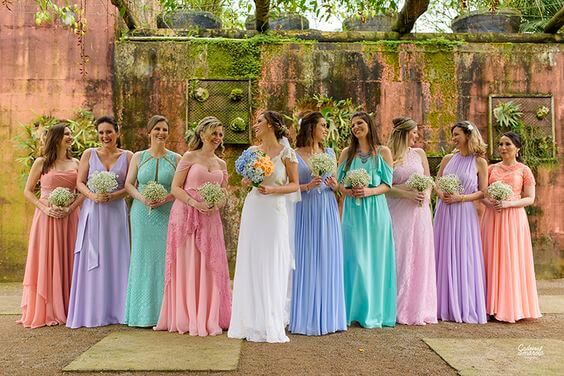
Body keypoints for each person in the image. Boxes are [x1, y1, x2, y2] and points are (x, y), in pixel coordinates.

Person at [155, 116, 231, 336]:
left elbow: (224, 193)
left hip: (210, 217)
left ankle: (208, 315)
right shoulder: (189, 156)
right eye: (213, 133)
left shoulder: (222, 164)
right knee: (188, 262)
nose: (217, 138)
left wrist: (216, 203)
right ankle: (186, 316)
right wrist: (194, 202)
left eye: (220, 134)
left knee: (210, 263)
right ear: (202, 133)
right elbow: (175, 187)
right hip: (186, 215)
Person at [228, 110, 299, 343]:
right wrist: (249, 180)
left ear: (270, 125)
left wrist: (273, 190)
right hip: (255, 207)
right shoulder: (251, 152)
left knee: (272, 262)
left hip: (275, 210)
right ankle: (250, 321)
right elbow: (246, 181)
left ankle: (270, 320)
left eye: (259, 121)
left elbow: (295, 186)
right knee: (251, 260)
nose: (255, 125)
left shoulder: (287, 153)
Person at [67, 116, 133, 328]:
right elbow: (80, 182)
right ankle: (93, 311)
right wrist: (92, 196)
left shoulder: (129, 156)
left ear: (117, 132)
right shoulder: (89, 154)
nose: (105, 136)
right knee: (93, 258)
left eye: (109, 132)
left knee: (116, 255)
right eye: (101, 133)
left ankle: (118, 310)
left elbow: (133, 185)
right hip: (93, 211)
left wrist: (116, 195)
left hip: (116, 212)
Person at [18, 124, 83, 328]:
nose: (70, 137)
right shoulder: (42, 162)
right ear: (55, 138)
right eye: (66, 134)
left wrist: (71, 208)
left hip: (71, 217)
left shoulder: (77, 163)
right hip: (46, 216)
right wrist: (44, 208)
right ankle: (47, 308)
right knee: (47, 259)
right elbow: (28, 191)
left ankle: (69, 307)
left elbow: (82, 191)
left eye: (70, 134)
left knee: (70, 258)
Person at [337, 111, 396, 328]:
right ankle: (352, 310)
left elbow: (387, 184)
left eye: (359, 123)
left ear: (369, 124)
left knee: (375, 260)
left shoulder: (383, 152)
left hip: (376, 212)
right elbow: (337, 182)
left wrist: (368, 192)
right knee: (355, 259)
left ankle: (374, 312)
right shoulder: (347, 153)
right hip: (353, 212)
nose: (355, 127)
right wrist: (348, 191)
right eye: (352, 125)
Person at [289, 111, 346, 336]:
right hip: (305, 209)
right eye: (322, 125)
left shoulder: (330, 153)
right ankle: (305, 317)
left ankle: (329, 316)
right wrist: (306, 187)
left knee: (327, 257)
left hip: (327, 209)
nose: (325, 129)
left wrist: (334, 185)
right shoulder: (293, 155)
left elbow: (339, 187)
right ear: (310, 127)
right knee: (306, 258)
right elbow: (289, 186)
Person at [124, 115, 180, 327]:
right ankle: (140, 314)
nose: (161, 133)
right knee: (141, 258)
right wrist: (143, 199)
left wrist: (165, 198)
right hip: (141, 213)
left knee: (166, 259)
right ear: (149, 132)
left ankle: (165, 314)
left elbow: (179, 188)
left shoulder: (177, 159)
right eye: (157, 129)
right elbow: (129, 184)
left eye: (165, 129)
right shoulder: (138, 157)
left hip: (167, 213)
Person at [481, 131, 541, 323]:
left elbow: (530, 198)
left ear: (517, 148)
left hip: (514, 218)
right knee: (490, 256)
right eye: (500, 144)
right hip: (492, 217)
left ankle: (510, 306)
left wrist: (508, 204)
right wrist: (489, 202)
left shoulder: (524, 170)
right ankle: (489, 306)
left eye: (507, 144)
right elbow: (481, 193)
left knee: (511, 258)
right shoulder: (490, 169)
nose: (503, 148)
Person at [434, 120, 488, 324]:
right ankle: (441, 304)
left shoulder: (479, 162)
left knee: (463, 254)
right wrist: (442, 195)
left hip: (464, 212)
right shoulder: (448, 158)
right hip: (444, 211)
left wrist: (461, 198)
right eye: (453, 135)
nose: (454, 139)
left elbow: (483, 191)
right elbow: (436, 182)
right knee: (443, 253)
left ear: (468, 135)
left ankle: (464, 304)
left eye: (457, 134)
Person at [386, 117, 437, 325]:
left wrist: (425, 192)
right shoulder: (388, 155)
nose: (416, 136)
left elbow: (429, 180)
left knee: (418, 254)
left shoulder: (419, 154)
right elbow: (385, 186)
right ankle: (394, 305)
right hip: (397, 210)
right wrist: (407, 193)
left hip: (419, 211)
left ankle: (417, 306)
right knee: (398, 253)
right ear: (404, 133)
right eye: (414, 132)